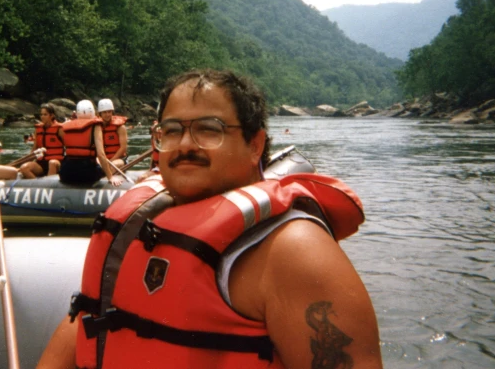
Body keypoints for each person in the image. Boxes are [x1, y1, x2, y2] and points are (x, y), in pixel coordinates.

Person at [37, 69, 381, 369]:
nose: (185, 144)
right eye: (171, 131)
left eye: (209, 129)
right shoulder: (133, 233)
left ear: (255, 145)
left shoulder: (295, 251)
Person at [57, 100, 122, 187]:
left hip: (66, 174)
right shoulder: (95, 126)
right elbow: (101, 154)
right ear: (92, 112)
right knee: (104, 168)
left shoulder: (65, 126)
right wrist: (110, 177)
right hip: (87, 174)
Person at [19, 103, 64, 178]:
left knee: (52, 163)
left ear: (52, 115)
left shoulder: (59, 129)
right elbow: (34, 148)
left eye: (45, 114)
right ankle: (37, 186)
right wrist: (28, 160)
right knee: (24, 168)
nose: (42, 117)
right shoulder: (38, 129)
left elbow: (68, 146)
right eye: (41, 114)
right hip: (41, 163)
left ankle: (50, 186)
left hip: (57, 162)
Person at [96, 99, 128, 170]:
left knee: (112, 166)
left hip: (118, 159)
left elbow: (123, 148)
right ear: (100, 113)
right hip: (102, 159)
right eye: (104, 112)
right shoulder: (96, 127)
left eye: (109, 112)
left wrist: (110, 161)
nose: (107, 115)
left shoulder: (120, 127)